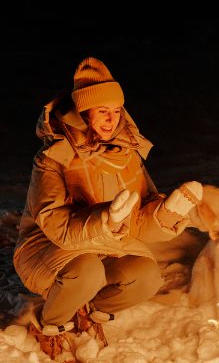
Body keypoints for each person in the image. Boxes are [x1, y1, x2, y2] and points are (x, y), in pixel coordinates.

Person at [14, 57, 202, 360]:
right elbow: (52, 222)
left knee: (147, 277)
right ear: (84, 112)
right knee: (87, 271)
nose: (111, 119)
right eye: (103, 111)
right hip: (49, 244)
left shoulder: (127, 154)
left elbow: (139, 219)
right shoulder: (52, 158)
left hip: (109, 242)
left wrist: (165, 214)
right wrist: (104, 219)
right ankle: (50, 323)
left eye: (116, 111)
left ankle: (91, 309)